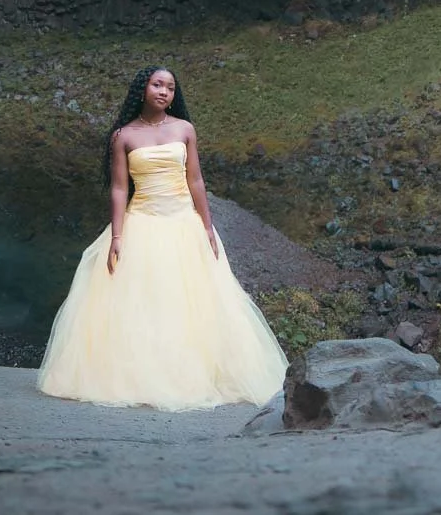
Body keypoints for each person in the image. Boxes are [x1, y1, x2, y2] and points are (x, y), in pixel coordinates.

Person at [36, 66, 288, 409]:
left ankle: (193, 374)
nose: (164, 91)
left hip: (184, 222)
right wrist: (117, 235)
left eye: (170, 87)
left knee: (193, 302)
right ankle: (141, 375)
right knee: (143, 302)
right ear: (142, 89)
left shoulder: (185, 129)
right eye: (157, 84)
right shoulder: (123, 136)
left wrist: (207, 225)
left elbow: (196, 180)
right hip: (142, 221)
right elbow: (119, 188)